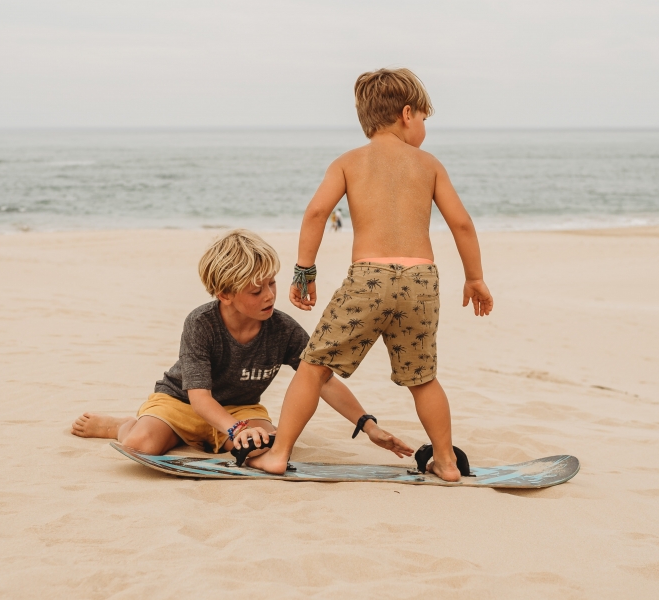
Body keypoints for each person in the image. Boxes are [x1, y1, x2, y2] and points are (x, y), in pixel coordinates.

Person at [249, 68, 494, 481]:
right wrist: (474, 277)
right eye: (424, 121)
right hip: (420, 282)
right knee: (423, 378)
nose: (424, 131)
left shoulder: (348, 163)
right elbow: (462, 224)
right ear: (406, 113)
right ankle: (448, 462)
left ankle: (278, 454)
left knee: (314, 367)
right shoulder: (429, 165)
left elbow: (316, 213)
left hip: (368, 280)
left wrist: (304, 269)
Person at [72, 229, 413, 460]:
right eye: (256, 290)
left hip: (241, 410)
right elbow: (199, 398)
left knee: (271, 446)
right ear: (225, 295)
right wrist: (233, 430)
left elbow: (322, 380)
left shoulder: (283, 330)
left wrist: (369, 426)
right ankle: (121, 425)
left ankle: (196, 438)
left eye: (272, 284)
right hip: (182, 403)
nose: (269, 296)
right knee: (140, 445)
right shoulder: (201, 324)